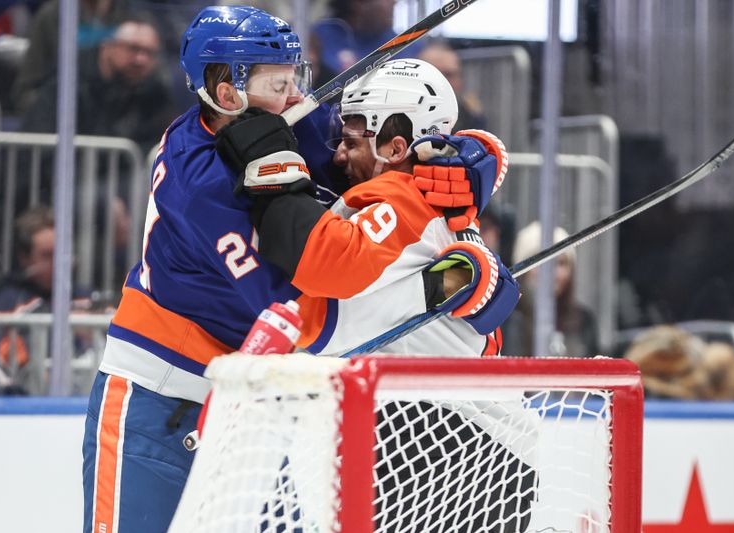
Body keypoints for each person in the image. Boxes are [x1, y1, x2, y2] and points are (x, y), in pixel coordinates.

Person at [81, 7, 511, 533]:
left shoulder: (284, 122)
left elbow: (376, 160)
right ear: (226, 91)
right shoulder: (199, 183)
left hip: (257, 403)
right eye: (277, 82)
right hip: (160, 400)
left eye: (296, 78)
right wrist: (435, 287)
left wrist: (465, 158)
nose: (294, 97)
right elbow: (297, 311)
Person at [216, 57, 531, 531]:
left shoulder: (404, 198)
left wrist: (274, 176)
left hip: (456, 446)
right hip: (444, 444)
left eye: (350, 141)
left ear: (396, 145)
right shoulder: (418, 196)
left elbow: (323, 262)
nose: (339, 155)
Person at [20, 12, 174, 153]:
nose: (141, 60)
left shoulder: (154, 93)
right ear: (107, 47)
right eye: (133, 49)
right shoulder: (67, 85)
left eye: (149, 53)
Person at [0, 206, 92, 395]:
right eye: (47, 255)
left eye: (63, 253)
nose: (58, 263)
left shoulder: (86, 298)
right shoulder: (6, 305)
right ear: (24, 258)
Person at [503, 221, 599, 356]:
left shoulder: (584, 321)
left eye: (560, 263)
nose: (551, 272)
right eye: (542, 263)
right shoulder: (503, 319)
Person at [309, 0, 424, 87]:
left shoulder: (393, 37)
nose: (394, 2)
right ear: (358, 3)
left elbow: (422, 55)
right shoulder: (319, 36)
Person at [418, 40, 487, 132]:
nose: (445, 82)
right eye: (439, 74)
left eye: (450, 75)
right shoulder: (401, 115)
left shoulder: (471, 116)